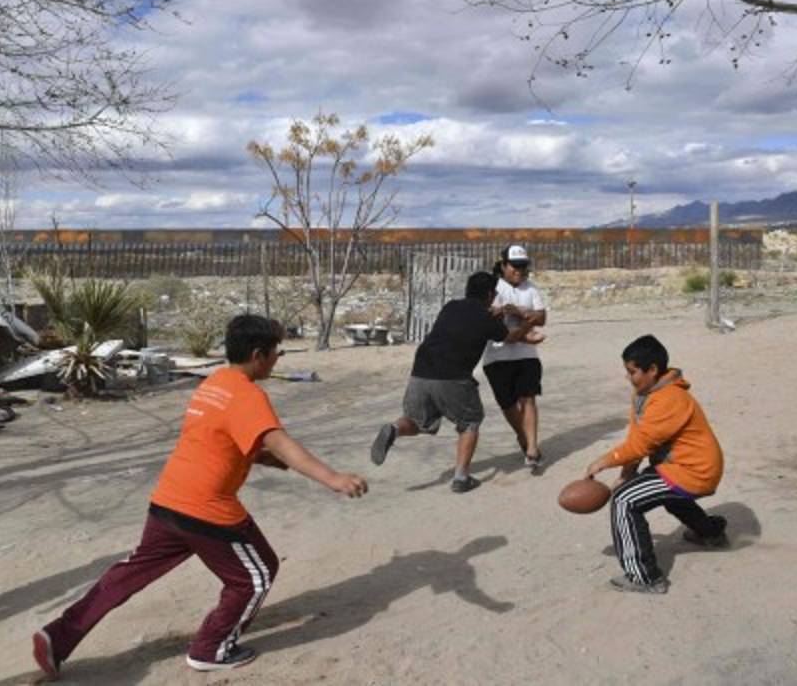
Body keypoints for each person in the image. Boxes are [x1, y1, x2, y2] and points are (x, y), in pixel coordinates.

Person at [31, 315, 367, 679]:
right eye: (276, 353)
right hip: (206, 511)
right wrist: (334, 478)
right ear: (258, 355)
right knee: (255, 575)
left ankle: (57, 637)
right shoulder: (249, 395)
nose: (277, 359)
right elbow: (281, 444)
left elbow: (229, 439)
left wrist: (267, 459)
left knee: (126, 575)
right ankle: (211, 649)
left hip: (167, 501)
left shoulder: (215, 383)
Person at [370, 271, 540, 493]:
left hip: (421, 371)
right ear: (489, 294)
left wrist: (491, 318)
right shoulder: (486, 319)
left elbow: (464, 325)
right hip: (452, 376)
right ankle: (461, 478)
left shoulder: (451, 306)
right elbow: (510, 336)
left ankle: (394, 429)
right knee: (470, 421)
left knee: (417, 421)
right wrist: (529, 324)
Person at [583, 334, 726, 594]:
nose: (629, 378)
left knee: (625, 501)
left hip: (694, 471)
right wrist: (626, 475)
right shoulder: (645, 393)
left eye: (633, 371)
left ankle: (644, 577)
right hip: (681, 468)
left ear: (652, 370)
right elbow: (638, 439)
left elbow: (641, 446)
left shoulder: (669, 398)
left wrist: (603, 462)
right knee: (655, 491)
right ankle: (710, 532)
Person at [484, 244, 547, 472]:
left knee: (528, 398)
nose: (519, 271)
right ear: (503, 265)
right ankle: (523, 436)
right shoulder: (493, 288)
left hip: (527, 356)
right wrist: (523, 325)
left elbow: (542, 317)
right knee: (508, 405)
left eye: (523, 267)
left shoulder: (531, 289)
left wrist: (520, 313)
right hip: (497, 357)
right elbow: (490, 322)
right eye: (514, 266)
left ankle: (532, 448)